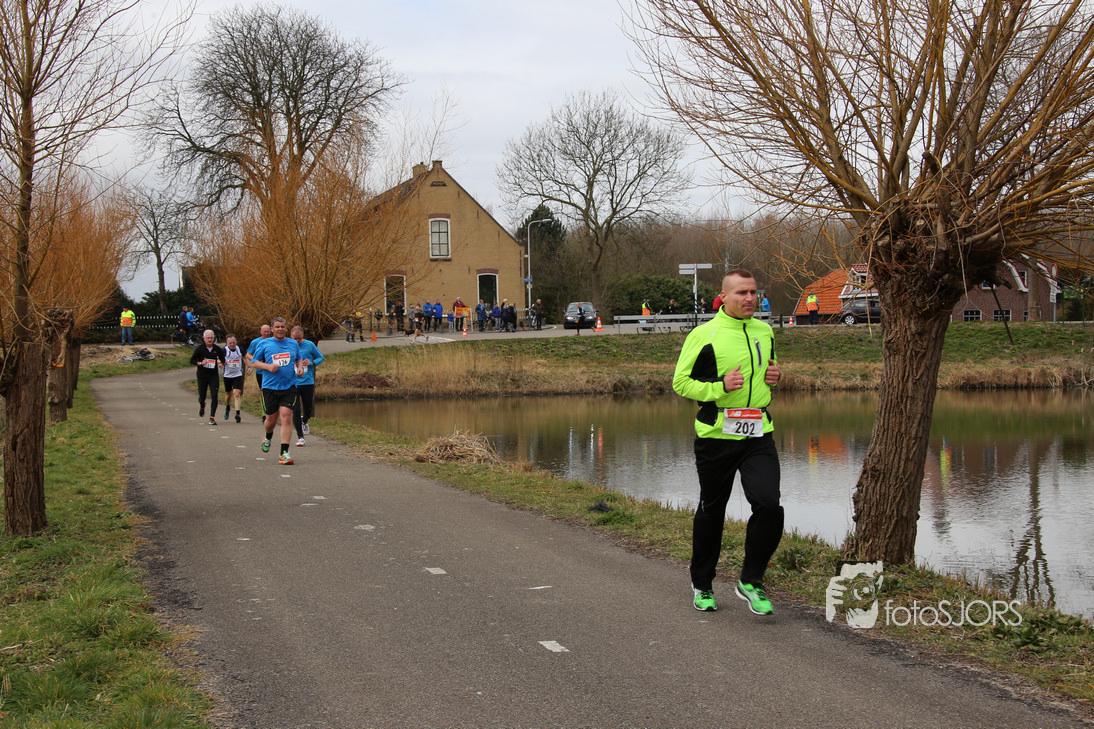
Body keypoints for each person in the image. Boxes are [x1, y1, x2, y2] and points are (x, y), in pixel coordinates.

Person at [672, 268, 783, 616]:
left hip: (758, 432)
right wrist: (720, 386)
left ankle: (751, 581)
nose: (750, 298)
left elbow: (768, 369)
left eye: (753, 292)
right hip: (717, 435)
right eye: (742, 293)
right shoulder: (705, 334)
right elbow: (681, 383)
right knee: (712, 510)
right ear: (724, 297)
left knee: (769, 505)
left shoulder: (765, 331)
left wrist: (775, 376)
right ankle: (702, 583)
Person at [249, 317, 303, 465]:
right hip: (270, 387)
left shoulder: (292, 343)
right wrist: (268, 367)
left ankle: (284, 453)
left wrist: (299, 368)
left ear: (286, 328)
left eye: (282, 327)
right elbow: (254, 362)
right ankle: (268, 435)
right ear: (272, 329)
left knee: (286, 417)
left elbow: (299, 358)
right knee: (270, 421)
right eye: (277, 327)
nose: (280, 329)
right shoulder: (264, 343)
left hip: (289, 386)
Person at [290, 325, 324, 447]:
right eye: (294, 338)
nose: (297, 341)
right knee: (295, 410)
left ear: (302, 336)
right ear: (290, 336)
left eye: (299, 338)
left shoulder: (309, 345)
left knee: (308, 409)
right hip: (293, 383)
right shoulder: (287, 345)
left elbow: (321, 358)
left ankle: (304, 420)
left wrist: (312, 362)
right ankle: (300, 437)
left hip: (307, 381)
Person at [190, 329, 226, 426]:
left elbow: (222, 358)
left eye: (211, 338)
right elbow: (192, 360)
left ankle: (212, 417)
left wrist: (221, 363)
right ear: (204, 339)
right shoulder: (200, 349)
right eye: (208, 338)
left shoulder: (217, 349)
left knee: (214, 396)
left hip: (213, 376)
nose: (210, 340)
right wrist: (200, 363)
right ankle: (202, 405)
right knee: (202, 397)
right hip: (202, 376)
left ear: (214, 339)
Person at [221, 333, 245, 423]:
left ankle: (237, 414)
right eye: (230, 343)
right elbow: (218, 359)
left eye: (233, 342)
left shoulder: (239, 349)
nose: (232, 344)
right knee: (228, 395)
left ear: (236, 342)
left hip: (237, 374)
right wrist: (221, 363)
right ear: (227, 343)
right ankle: (227, 407)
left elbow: (244, 357)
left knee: (236, 393)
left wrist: (249, 366)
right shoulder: (224, 350)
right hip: (227, 375)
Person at [245, 323, 272, 396]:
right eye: (264, 332)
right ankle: (263, 401)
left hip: (271, 370)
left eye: (268, 331)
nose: (266, 333)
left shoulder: (274, 341)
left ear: (270, 331)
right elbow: (248, 354)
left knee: (271, 389)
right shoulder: (255, 342)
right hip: (260, 371)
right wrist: (256, 360)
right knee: (263, 389)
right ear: (260, 332)